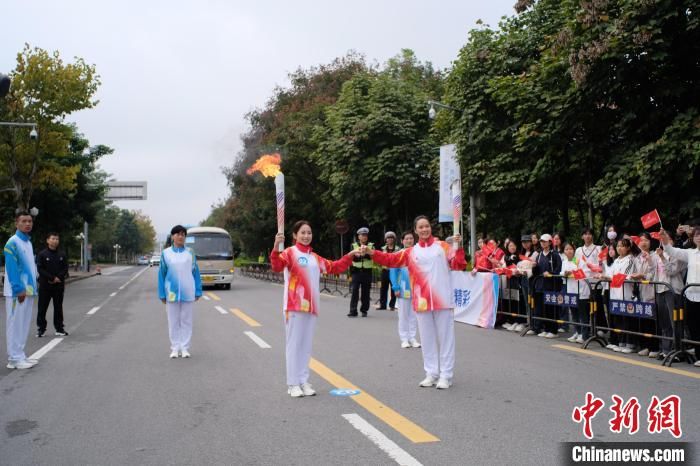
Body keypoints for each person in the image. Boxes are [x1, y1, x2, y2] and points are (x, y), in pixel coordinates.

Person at [368, 215, 466, 389]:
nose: (424, 229)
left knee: (446, 339)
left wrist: (457, 249)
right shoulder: (411, 252)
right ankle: (431, 373)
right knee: (427, 339)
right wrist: (371, 253)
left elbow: (459, 265)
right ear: (415, 230)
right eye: (420, 227)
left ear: (430, 228)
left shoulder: (442, 247)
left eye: (426, 226)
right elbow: (390, 260)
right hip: (421, 301)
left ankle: (446, 375)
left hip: (442, 300)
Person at [270, 220, 356, 397]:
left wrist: (352, 255)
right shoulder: (289, 252)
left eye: (309, 232)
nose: (306, 235)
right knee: (294, 346)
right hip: (294, 306)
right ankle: (292, 384)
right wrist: (276, 246)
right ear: (295, 235)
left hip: (311, 308)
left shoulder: (314, 258)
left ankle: (303, 381)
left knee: (306, 346)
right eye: (302, 232)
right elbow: (277, 266)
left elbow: (335, 266)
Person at [158, 225, 202, 359]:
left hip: (188, 292)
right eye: (177, 234)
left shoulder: (190, 253)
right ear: (172, 236)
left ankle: (185, 347)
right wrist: (162, 293)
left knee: (186, 321)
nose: (180, 236)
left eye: (183, 234)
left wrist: (198, 290)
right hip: (171, 292)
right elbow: (162, 274)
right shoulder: (165, 253)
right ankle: (175, 347)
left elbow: (196, 272)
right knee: (173, 321)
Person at [659, 226, 700, 366]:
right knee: (693, 325)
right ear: (693, 238)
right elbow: (673, 251)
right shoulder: (690, 253)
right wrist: (664, 239)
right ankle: (699, 355)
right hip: (690, 295)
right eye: (696, 235)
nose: (699, 237)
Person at [3, 211, 39, 370]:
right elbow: (11, 268)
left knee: (23, 324)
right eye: (24, 221)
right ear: (16, 223)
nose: (28, 224)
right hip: (18, 292)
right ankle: (14, 358)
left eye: (30, 221)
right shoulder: (12, 242)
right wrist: (18, 289)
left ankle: (20, 354)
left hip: (29, 290)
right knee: (15, 324)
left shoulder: (28, 243)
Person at [390, 231, 420, 348]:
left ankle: (412, 338)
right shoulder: (399, 254)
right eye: (406, 239)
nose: (409, 240)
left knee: (414, 315)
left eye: (411, 238)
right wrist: (395, 287)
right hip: (403, 288)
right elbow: (393, 272)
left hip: (416, 289)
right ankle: (404, 339)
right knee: (403, 315)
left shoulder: (418, 253)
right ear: (402, 241)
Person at [36, 232, 69, 337]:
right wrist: (51, 278)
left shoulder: (62, 254)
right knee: (42, 308)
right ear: (48, 240)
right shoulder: (42, 254)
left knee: (58, 307)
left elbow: (65, 268)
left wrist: (58, 277)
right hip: (45, 286)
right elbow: (40, 269)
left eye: (57, 239)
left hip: (58, 286)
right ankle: (41, 329)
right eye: (53, 239)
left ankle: (59, 328)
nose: (55, 241)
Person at [529, 233, 562, 338]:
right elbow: (536, 271)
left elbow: (559, 269)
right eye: (541, 241)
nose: (542, 243)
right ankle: (545, 328)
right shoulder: (539, 255)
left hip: (551, 286)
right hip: (540, 285)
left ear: (550, 242)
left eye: (544, 241)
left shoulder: (555, 255)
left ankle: (553, 330)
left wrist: (551, 274)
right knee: (541, 309)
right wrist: (533, 267)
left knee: (551, 309)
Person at [574, 228, 602, 343]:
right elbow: (575, 264)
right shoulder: (578, 250)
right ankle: (584, 334)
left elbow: (601, 265)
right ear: (582, 237)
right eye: (585, 234)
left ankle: (596, 332)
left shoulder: (598, 248)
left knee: (595, 310)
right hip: (582, 283)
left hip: (595, 284)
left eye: (590, 234)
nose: (587, 236)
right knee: (583, 310)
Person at [348, 227, 374, 317]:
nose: (364, 237)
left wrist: (364, 254)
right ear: (358, 236)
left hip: (367, 272)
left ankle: (364, 310)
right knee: (354, 291)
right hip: (356, 271)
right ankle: (353, 311)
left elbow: (374, 256)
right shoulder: (353, 245)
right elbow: (350, 257)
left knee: (366, 292)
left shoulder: (371, 245)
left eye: (365, 235)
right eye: (362, 235)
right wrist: (359, 256)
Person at [377, 231, 399, 311]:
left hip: (394, 270)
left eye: (391, 238)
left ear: (394, 239)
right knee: (383, 288)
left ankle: (392, 305)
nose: (389, 239)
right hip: (385, 270)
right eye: (388, 238)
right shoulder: (383, 249)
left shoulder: (397, 249)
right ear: (386, 239)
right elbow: (379, 258)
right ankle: (382, 305)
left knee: (393, 288)